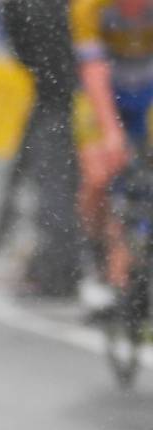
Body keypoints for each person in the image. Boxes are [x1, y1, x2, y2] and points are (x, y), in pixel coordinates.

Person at [0, 0, 81, 298]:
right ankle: (56, 268)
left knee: (51, 185)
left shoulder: (27, 9)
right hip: (61, 92)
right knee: (54, 183)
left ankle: (55, 269)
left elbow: (18, 39)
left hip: (54, 92)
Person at [70, 0, 153, 316]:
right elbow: (93, 71)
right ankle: (96, 263)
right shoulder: (90, 8)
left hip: (146, 92)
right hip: (103, 94)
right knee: (98, 174)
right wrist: (111, 131)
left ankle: (132, 273)